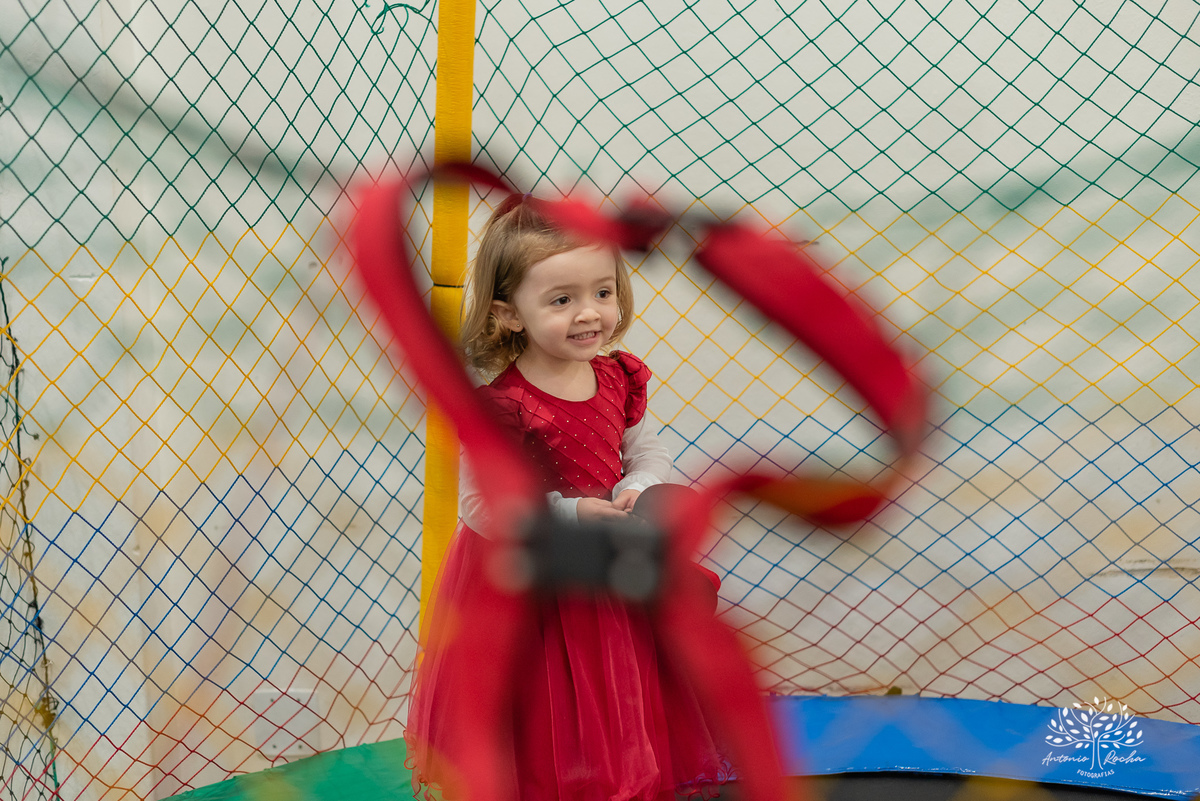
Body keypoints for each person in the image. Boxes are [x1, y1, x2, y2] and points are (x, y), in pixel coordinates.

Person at [404, 193, 730, 801]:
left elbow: (646, 450)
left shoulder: (617, 377)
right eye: (561, 300)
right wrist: (569, 511)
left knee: (616, 685)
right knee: (548, 695)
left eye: (602, 292)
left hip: (610, 560)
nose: (589, 313)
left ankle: (620, 783)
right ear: (509, 314)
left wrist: (636, 487)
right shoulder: (504, 405)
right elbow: (480, 503)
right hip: (535, 572)